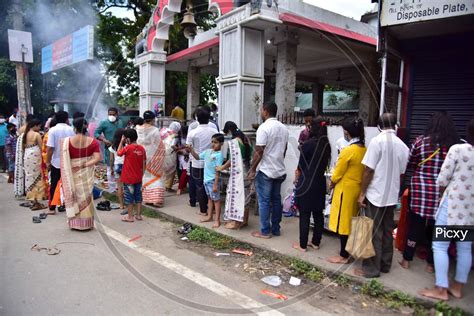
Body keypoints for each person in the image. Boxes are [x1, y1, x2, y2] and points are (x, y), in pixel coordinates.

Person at [420, 119, 474, 301]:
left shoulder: (458, 149)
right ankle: (457, 287)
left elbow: (442, 179)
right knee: (465, 249)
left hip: (451, 206)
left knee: (440, 246)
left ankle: (441, 289)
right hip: (471, 211)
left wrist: (442, 194)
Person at [399, 112, 460, 273]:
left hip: (420, 190)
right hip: (443, 193)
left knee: (416, 225)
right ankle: (431, 264)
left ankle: (406, 259)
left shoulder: (420, 141)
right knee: (436, 227)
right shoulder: (454, 146)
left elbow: (410, 163)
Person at [355, 113, 409, 278]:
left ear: (379, 126)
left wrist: (362, 193)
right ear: (395, 125)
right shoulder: (403, 146)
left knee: (373, 232)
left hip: (375, 194)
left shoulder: (376, 142)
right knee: (386, 230)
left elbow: (368, 170)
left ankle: (371, 269)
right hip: (392, 195)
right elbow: (401, 172)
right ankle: (385, 264)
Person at [326, 117, 366, 262]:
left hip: (345, 190)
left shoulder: (348, 151)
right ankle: (348, 251)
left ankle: (344, 255)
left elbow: (337, 173)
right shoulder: (363, 149)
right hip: (357, 188)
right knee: (351, 221)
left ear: (347, 132)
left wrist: (331, 183)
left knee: (344, 223)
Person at [248, 102, 289, 239]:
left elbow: (259, 151)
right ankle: (276, 229)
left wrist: (252, 169)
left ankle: (265, 231)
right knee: (276, 200)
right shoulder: (284, 128)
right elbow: (284, 150)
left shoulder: (264, 128)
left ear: (265, 111)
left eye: (261, 110)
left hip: (266, 170)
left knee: (264, 201)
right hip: (279, 169)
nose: (261, 112)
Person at [293, 118, 331, 251]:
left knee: (304, 213)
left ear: (312, 129)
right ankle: (315, 242)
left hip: (306, 182)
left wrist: (296, 179)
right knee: (318, 213)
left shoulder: (308, 144)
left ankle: (302, 245)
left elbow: (301, 166)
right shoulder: (326, 145)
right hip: (319, 182)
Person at [61, 118, 101, 230]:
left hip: (72, 172)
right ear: (86, 127)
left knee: (75, 194)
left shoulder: (67, 142)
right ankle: (86, 224)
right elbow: (98, 158)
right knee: (86, 195)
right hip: (86, 172)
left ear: (74, 128)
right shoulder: (93, 141)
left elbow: (65, 160)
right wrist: (85, 164)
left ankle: (75, 223)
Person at [219, 121, 253, 229]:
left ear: (229, 131)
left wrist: (222, 167)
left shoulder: (235, 142)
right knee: (246, 196)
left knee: (238, 196)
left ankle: (237, 222)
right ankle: (245, 220)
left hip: (239, 172)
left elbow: (232, 160)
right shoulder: (245, 139)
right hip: (247, 169)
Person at [188, 134, 224, 228]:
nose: (213, 144)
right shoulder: (207, 152)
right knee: (210, 199)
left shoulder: (219, 155)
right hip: (206, 180)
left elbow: (218, 170)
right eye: (212, 142)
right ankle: (209, 216)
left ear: (221, 144)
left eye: (215, 142)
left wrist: (216, 184)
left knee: (216, 200)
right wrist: (191, 150)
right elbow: (198, 157)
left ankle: (217, 220)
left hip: (213, 180)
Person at [186, 108, 218, 214]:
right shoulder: (214, 131)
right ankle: (212, 208)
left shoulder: (192, 133)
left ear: (197, 119)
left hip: (197, 163)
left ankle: (203, 210)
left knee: (200, 186)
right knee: (210, 185)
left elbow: (188, 147)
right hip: (211, 163)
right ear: (209, 118)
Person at [46, 111, 75, 214]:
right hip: (68, 160)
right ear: (67, 118)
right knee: (68, 184)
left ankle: (52, 208)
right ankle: (68, 206)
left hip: (56, 161)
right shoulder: (71, 130)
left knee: (54, 184)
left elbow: (50, 148)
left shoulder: (52, 130)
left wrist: (47, 162)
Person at [137, 111, 166, 207]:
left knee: (145, 176)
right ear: (153, 119)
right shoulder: (155, 130)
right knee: (156, 176)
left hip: (141, 155)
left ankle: (147, 199)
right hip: (153, 155)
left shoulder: (137, 128)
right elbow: (159, 144)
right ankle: (156, 200)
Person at [17, 119, 47, 210]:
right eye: (38, 126)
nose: (39, 128)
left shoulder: (24, 135)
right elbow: (41, 146)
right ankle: (37, 201)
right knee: (37, 177)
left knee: (29, 177)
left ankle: (32, 200)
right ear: (34, 126)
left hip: (27, 155)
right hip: (35, 155)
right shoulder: (36, 134)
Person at [118, 129, 146, 222]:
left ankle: (130, 217)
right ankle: (138, 215)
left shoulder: (127, 148)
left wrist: (121, 142)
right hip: (138, 177)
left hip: (128, 178)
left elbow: (118, 153)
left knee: (129, 197)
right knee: (138, 197)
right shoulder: (142, 148)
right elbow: (144, 163)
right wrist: (142, 174)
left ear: (128, 139)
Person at [94, 107, 126, 191]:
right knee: (109, 168)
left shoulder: (121, 122)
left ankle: (119, 187)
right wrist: (104, 140)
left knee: (121, 168)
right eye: (110, 114)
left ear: (117, 114)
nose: (111, 116)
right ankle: (112, 189)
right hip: (109, 149)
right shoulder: (104, 123)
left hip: (121, 148)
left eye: (113, 114)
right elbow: (96, 133)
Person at [161, 121, 181, 192]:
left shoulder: (163, 130)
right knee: (171, 171)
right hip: (170, 154)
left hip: (161, 152)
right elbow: (172, 145)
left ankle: (161, 186)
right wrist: (179, 149)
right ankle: (168, 187)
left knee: (163, 170)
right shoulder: (175, 135)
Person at [109, 128, 125, 210]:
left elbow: (111, 159)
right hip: (126, 165)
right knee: (127, 186)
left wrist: (111, 168)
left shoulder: (113, 146)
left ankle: (121, 205)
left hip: (117, 165)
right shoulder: (126, 145)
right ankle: (128, 204)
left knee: (119, 186)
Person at [176, 126, 189, 196]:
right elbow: (173, 146)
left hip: (188, 154)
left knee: (187, 172)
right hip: (181, 155)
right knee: (185, 171)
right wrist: (180, 149)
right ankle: (180, 188)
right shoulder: (178, 137)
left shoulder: (189, 136)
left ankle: (183, 187)